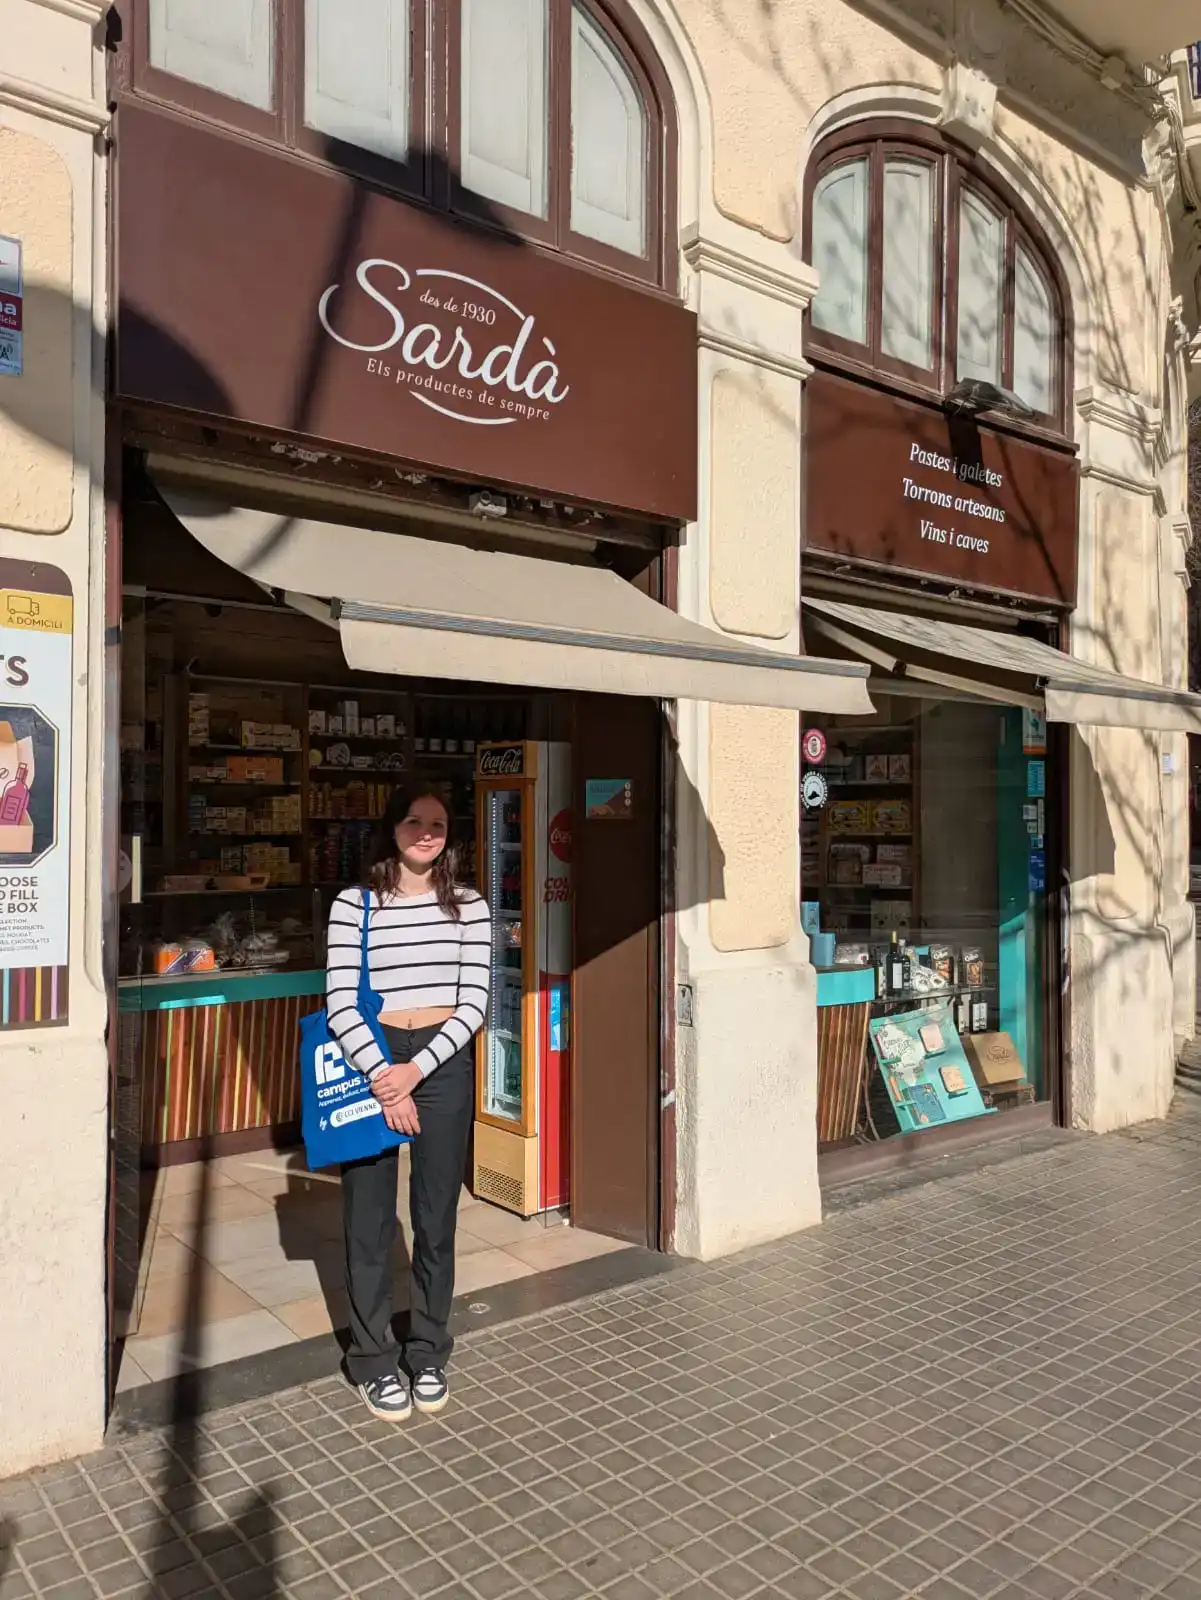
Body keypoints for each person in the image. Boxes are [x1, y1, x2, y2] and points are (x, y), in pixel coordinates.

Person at [326, 785, 491, 1421]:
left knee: (435, 1218)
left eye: (438, 824)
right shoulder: (354, 904)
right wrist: (384, 1075)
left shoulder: (470, 906)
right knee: (368, 1220)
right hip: (371, 1055)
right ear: (391, 827)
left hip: (442, 1062)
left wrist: (416, 1070)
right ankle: (372, 1358)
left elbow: (474, 1003)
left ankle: (427, 1351)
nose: (426, 833)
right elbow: (341, 1002)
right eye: (415, 821)